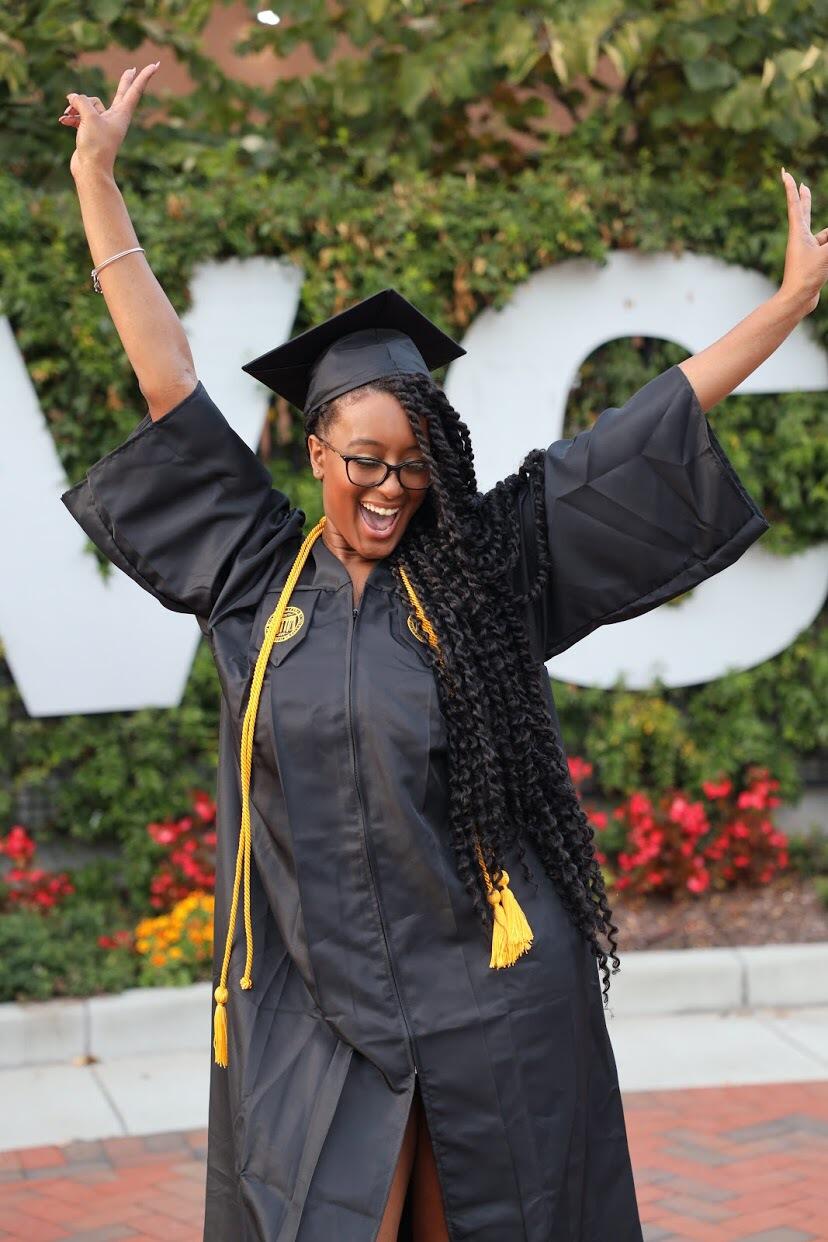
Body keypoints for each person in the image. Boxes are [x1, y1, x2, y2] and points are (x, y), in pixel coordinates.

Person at [58, 63, 827, 1242]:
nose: (389, 487)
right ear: (315, 448)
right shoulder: (253, 576)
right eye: (363, 458)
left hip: (491, 999)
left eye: (414, 464)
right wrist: (98, 183)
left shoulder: (482, 569)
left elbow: (635, 431)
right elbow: (167, 378)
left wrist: (783, 308)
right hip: (318, 1009)